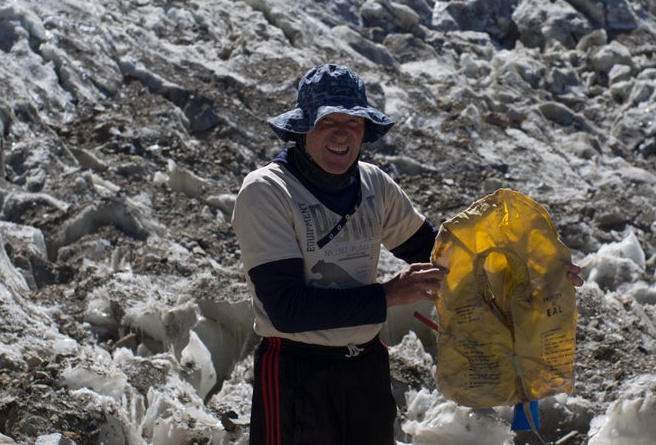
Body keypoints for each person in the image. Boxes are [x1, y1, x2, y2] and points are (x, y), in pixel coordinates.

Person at [231, 63, 583, 445]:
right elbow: (287, 309)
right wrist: (389, 295)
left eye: (353, 122)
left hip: (364, 368)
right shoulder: (267, 192)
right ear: (302, 128)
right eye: (327, 121)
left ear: (365, 130)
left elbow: (442, 257)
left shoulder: (373, 184)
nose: (341, 133)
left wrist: (534, 277)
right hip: (295, 372)